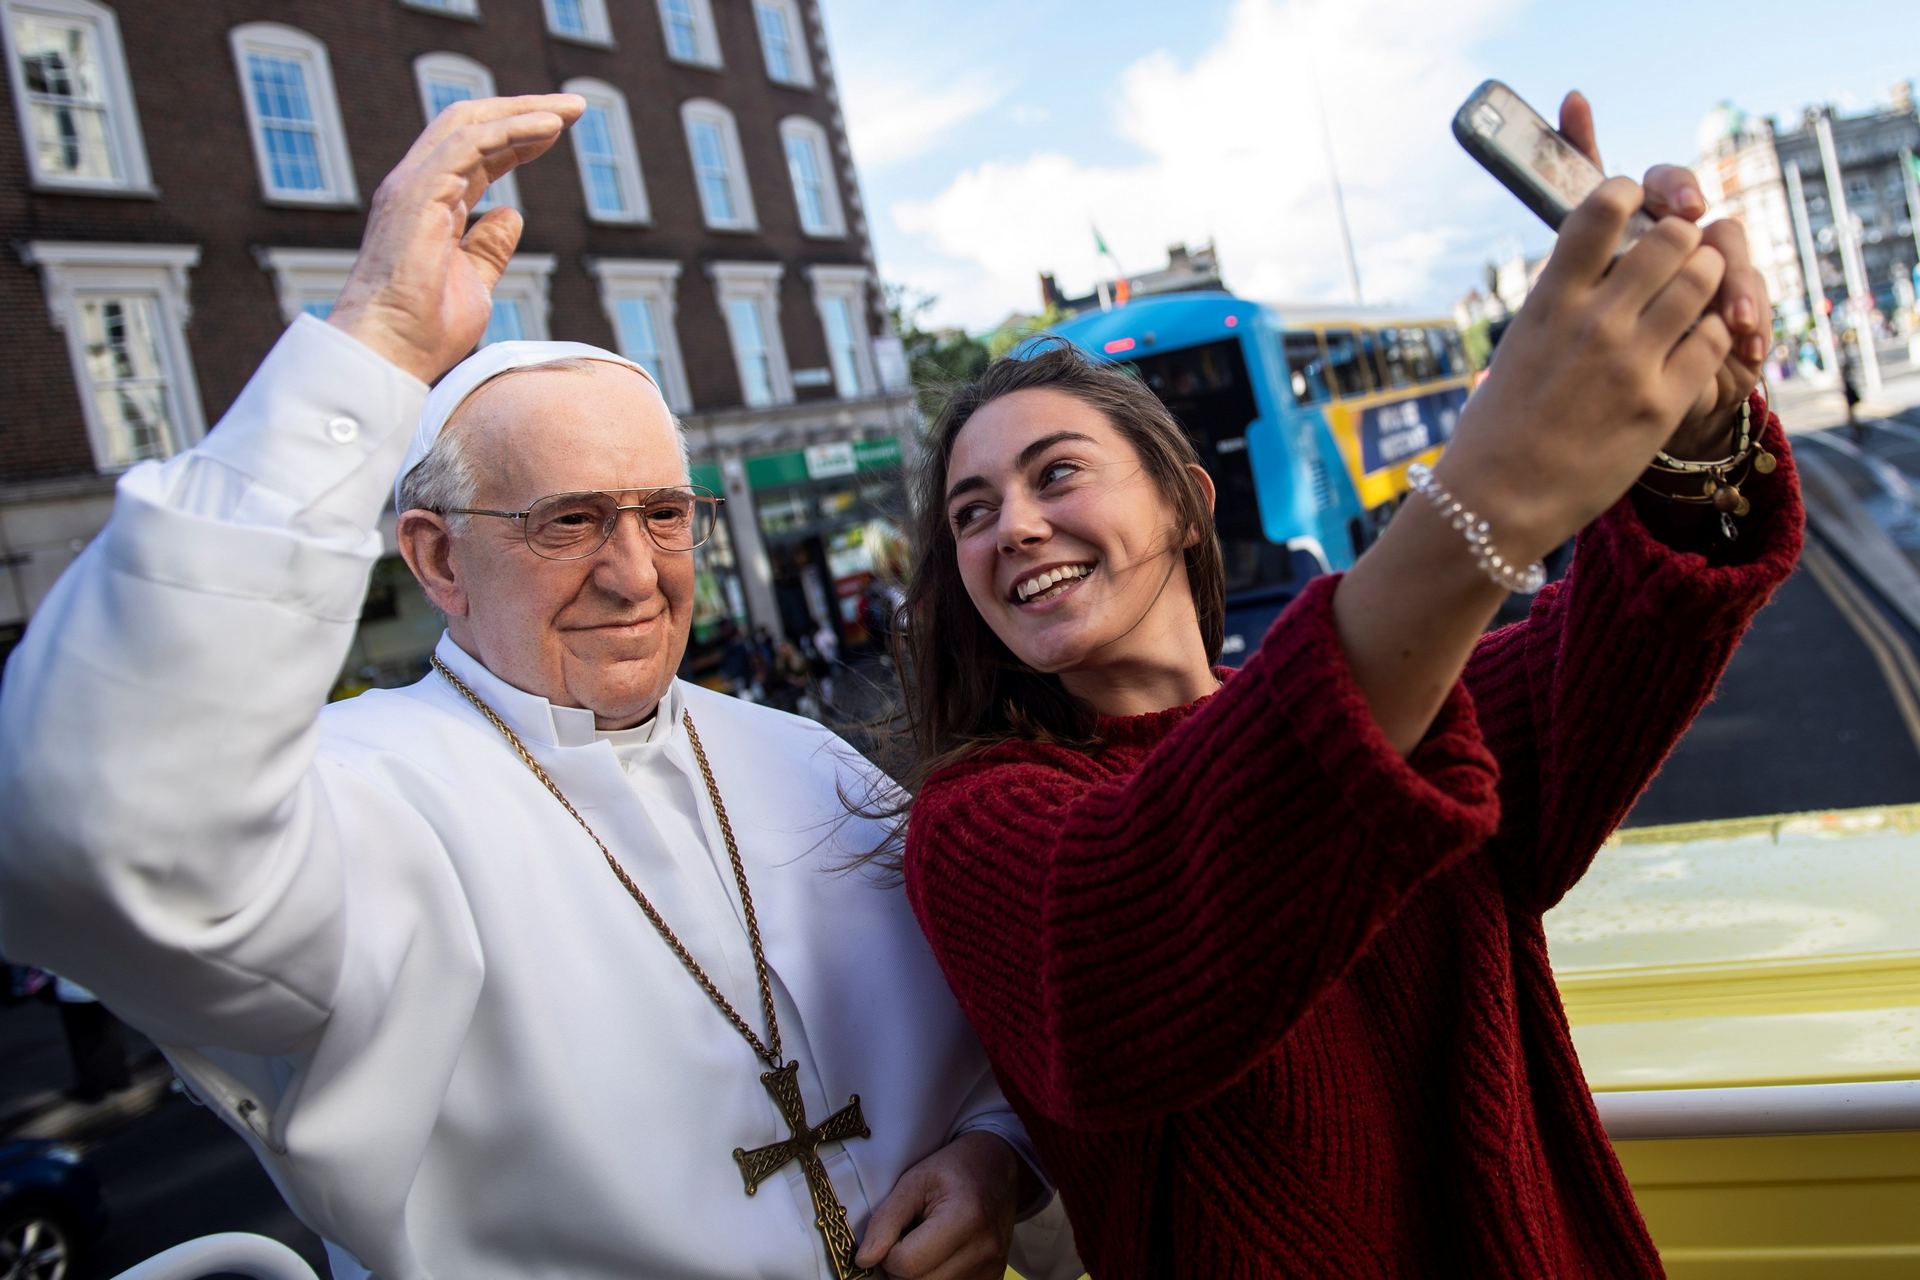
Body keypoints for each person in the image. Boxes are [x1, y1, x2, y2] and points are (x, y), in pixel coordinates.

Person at [0, 96, 1077, 1280]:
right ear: (439, 558)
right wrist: (380, 335)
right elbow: (92, 831)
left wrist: (992, 1157)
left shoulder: (805, 761)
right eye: (568, 520)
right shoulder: (360, 802)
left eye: (664, 514)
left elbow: (1004, 1048)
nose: (632, 571)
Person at [887, 94, 1803, 1276]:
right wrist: (1495, 490)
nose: (1013, 525)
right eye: (972, 512)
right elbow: (1134, 929)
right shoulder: (977, 823)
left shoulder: (1417, 712)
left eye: (1055, 471)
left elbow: (1618, 650)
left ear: (1184, 503)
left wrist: (1700, 419)